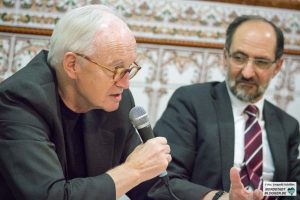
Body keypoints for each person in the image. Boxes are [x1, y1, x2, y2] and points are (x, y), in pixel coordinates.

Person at [0, 5, 171, 200]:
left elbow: (149, 186)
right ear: (72, 65)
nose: (125, 83)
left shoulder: (115, 101)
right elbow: (51, 196)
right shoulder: (19, 101)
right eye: (116, 69)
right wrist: (135, 170)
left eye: (129, 68)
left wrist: (208, 196)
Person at [148, 15, 300, 200]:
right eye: (239, 58)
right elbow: (162, 180)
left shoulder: (287, 126)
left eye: (261, 62)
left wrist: (265, 193)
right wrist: (220, 198)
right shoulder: (191, 103)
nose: (247, 72)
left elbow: (293, 189)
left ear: (277, 67)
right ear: (225, 57)